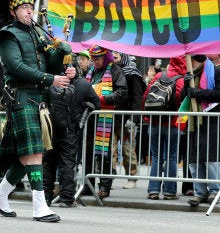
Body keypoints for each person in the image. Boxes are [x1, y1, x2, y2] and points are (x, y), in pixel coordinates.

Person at [0, 0, 75, 223]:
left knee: (26, 153)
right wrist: (51, 80)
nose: (29, 11)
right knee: (34, 153)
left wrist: (65, 61)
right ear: (13, 11)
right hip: (21, 97)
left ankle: (0, 194)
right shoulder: (7, 35)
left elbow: (50, 64)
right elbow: (17, 67)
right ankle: (40, 207)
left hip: (39, 98)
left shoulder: (38, 33)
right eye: (24, 8)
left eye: (31, 7)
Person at [43, 60, 100, 207]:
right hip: (70, 129)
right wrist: (83, 114)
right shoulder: (83, 84)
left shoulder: (51, 81)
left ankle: (45, 198)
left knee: (49, 164)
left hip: (50, 129)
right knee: (67, 164)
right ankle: (67, 198)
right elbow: (96, 104)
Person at [182, 54, 220, 206]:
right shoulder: (190, 74)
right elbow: (186, 97)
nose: (189, 63)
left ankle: (215, 190)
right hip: (194, 122)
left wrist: (199, 93)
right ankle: (199, 192)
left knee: (211, 159)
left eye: (192, 60)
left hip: (212, 121)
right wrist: (185, 85)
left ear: (198, 60)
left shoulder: (217, 72)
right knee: (195, 160)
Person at [85, 45, 128, 198]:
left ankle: (104, 186)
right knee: (87, 151)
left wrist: (104, 99)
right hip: (89, 116)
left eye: (97, 59)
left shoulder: (115, 70)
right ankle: (87, 185)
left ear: (105, 57)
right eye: (92, 59)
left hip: (105, 116)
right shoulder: (90, 72)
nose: (94, 62)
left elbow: (122, 92)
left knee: (103, 152)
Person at [144, 56, 187, 200]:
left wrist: (147, 118)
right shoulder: (182, 79)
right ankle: (169, 191)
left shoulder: (158, 76)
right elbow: (182, 102)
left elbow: (146, 98)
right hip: (173, 124)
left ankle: (153, 190)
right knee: (171, 157)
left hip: (155, 122)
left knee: (156, 157)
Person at [112, 51, 145, 189]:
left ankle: (132, 177)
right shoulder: (111, 71)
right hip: (113, 116)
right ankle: (109, 178)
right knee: (111, 149)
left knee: (128, 149)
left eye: (116, 57)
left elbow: (137, 97)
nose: (113, 60)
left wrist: (134, 118)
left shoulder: (132, 74)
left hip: (127, 118)